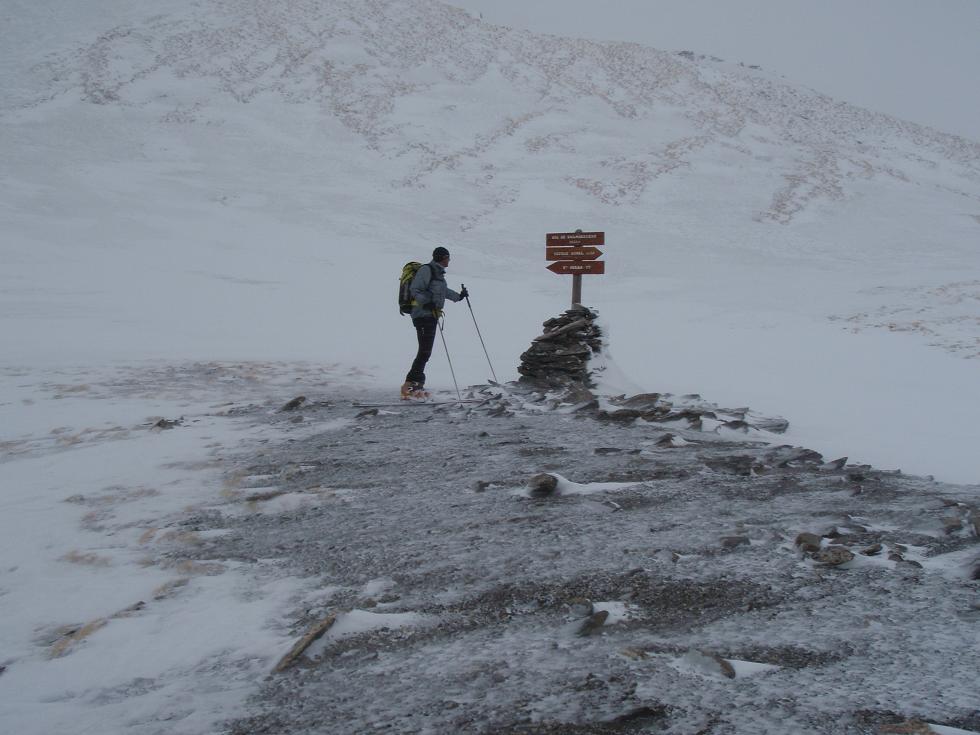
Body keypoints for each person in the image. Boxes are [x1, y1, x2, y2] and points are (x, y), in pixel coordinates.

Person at [401, 246, 468, 400]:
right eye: (448, 258)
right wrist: (426, 303)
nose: (449, 261)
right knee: (424, 351)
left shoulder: (438, 274)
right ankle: (409, 387)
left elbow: (442, 291)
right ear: (442, 257)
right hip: (422, 315)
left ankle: (416, 385)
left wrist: (459, 296)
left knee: (425, 351)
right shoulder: (427, 270)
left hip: (431, 316)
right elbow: (415, 290)